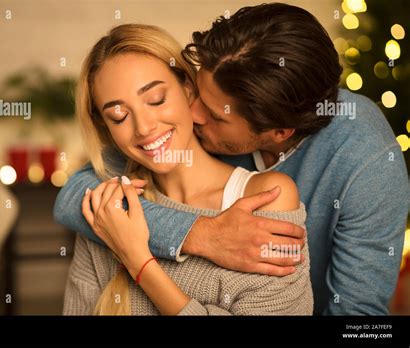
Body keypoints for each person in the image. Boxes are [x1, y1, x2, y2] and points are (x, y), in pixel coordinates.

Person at [55, 4, 409, 315]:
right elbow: (75, 196)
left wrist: (140, 259)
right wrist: (199, 235)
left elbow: (358, 318)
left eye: (213, 113)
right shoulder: (183, 124)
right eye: (194, 89)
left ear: (278, 131)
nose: (192, 114)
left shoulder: (367, 160)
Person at [62, 23, 312, 315]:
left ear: (188, 89)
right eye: (118, 116)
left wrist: (138, 261)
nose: (144, 128)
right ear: (105, 126)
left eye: (156, 99)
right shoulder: (109, 208)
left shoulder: (269, 197)